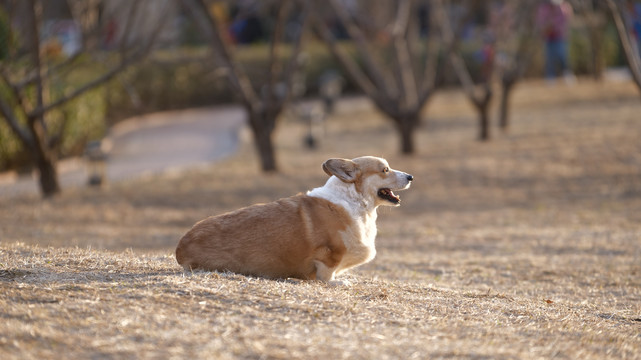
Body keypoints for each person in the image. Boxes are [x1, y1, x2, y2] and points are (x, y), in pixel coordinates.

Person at [536, 0, 575, 83]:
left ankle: (567, 74)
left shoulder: (564, 9)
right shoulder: (544, 9)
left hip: (560, 37)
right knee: (550, 58)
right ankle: (550, 77)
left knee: (562, 57)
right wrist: (548, 27)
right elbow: (541, 25)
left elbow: (566, 23)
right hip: (548, 38)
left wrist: (557, 27)